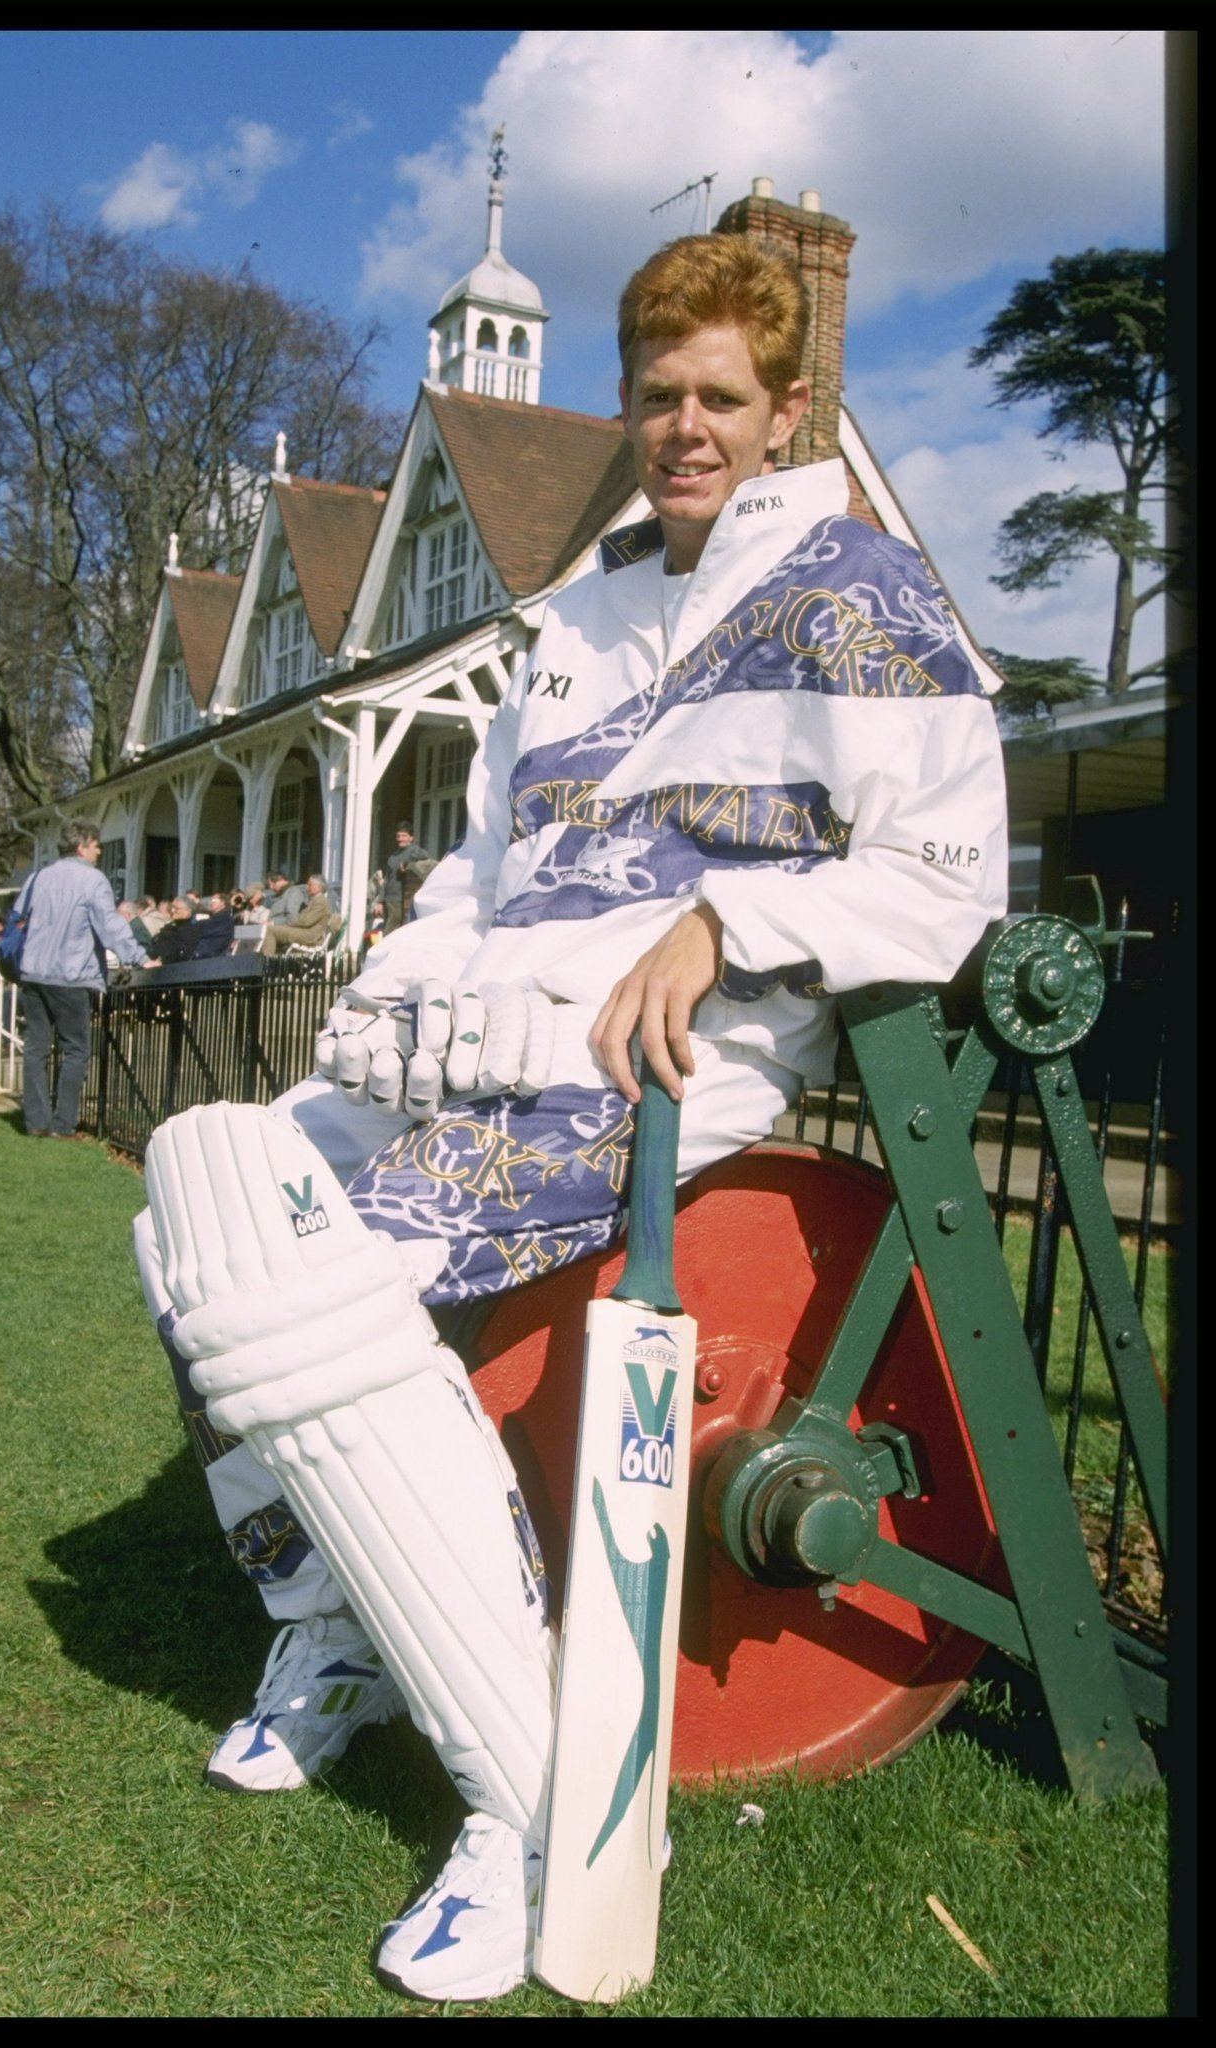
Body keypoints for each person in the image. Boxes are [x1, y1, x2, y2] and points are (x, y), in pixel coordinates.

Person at [134, 233, 1008, 2001]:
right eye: (661, 393)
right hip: (475, 1053)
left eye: (722, 399)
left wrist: (732, 916)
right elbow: (480, 872)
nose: (686, 427)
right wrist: (400, 984)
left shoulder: (860, 590)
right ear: (628, 396)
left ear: (781, 410)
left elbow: (948, 870)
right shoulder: (574, 615)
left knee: (331, 1282)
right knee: (204, 1200)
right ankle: (349, 1633)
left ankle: (532, 1805)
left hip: (669, 1073)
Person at [19, 819, 153, 1138]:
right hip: (71, 974)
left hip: (34, 971)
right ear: (82, 846)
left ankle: (36, 1121)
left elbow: (20, 919)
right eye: (96, 845)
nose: (99, 851)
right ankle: (63, 1124)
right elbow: (110, 926)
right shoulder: (93, 880)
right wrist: (141, 957)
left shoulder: (38, 877)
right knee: (76, 1050)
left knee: (36, 1049)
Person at [257, 874, 340, 958]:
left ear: (318, 887)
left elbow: (305, 921)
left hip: (310, 936)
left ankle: (266, 963)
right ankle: (273, 961)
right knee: (274, 929)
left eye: (310, 885)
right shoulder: (315, 899)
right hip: (306, 932)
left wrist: (288, 923)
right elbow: (303, 919)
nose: (307, 887)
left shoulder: (320, 901)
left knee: (270, 930)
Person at [377, 822, 435, 935]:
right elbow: (387, 880)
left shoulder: (413, 851)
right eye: (398, 836)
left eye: (404, 836)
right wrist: (380, 901)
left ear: (411, 837)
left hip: (402, 898)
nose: (400, 839)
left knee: (392, 931)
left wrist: (409, 865)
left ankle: (388, 952)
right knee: (389, 928)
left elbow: (427, 859)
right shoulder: (393, 856)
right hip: (389, 899)